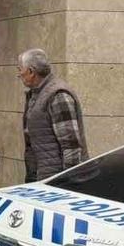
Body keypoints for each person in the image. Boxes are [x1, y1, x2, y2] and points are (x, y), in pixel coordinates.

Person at [18, 48, 88, 182]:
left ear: (31, 72)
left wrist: (67, 181)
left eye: (20, 70)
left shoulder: (58, 95)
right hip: (41, 176)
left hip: (56, 179)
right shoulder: (36, 93)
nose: (19, 75)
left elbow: (71, 145)